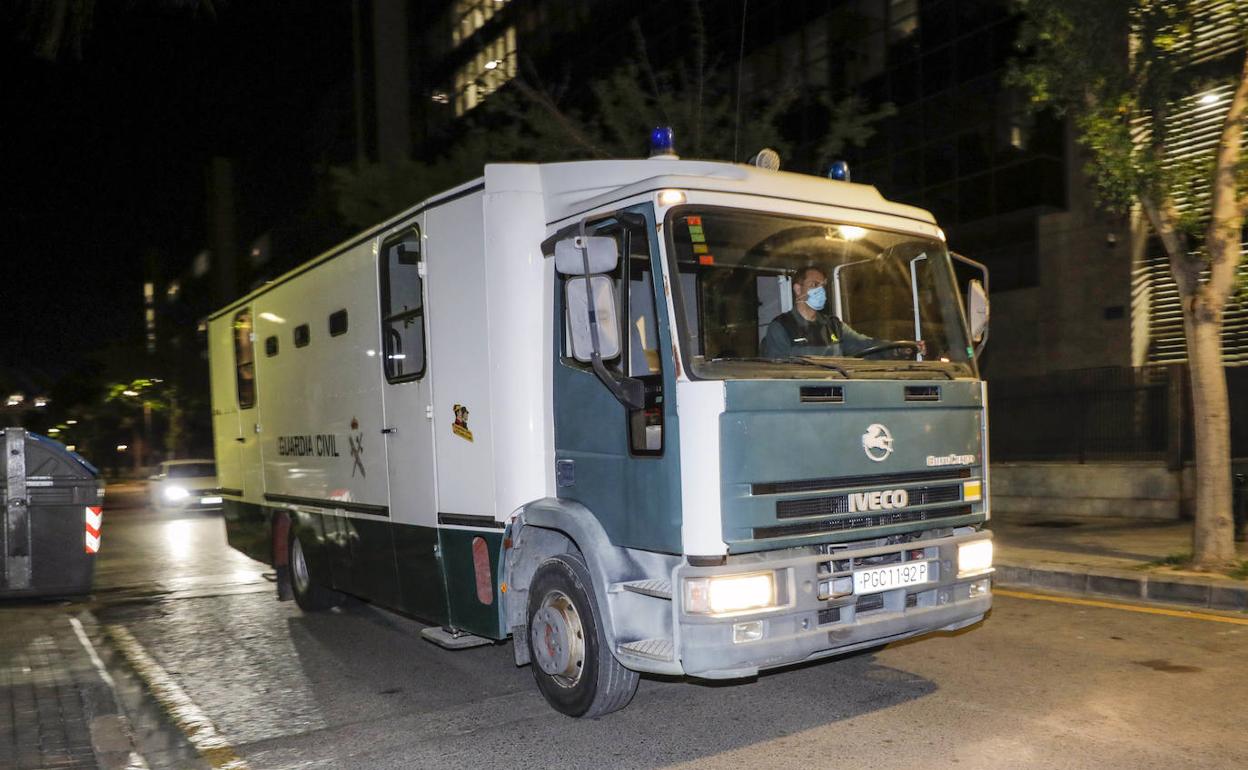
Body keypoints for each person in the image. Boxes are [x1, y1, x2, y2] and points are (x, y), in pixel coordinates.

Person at [761, 266, 922, 359]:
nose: (821, 290)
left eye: (823, 285)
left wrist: (898, 348)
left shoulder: (834, 326)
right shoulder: (781, 327)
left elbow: (865, 344)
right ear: (798, 289)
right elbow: (778, 375)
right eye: (814, 284)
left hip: (836, 396)